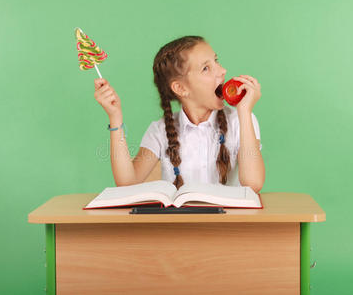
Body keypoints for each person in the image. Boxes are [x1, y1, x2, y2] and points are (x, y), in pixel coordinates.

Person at [94, 36, 265, 193]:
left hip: (228, 226)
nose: (222, 71)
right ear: (180, 88)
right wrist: (115, 116)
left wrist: (244, 112)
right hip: (178, 226)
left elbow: (253, 184)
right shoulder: (160, 130)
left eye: (216, 61)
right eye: (206, 68)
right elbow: (127, 182)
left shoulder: (240, 121)